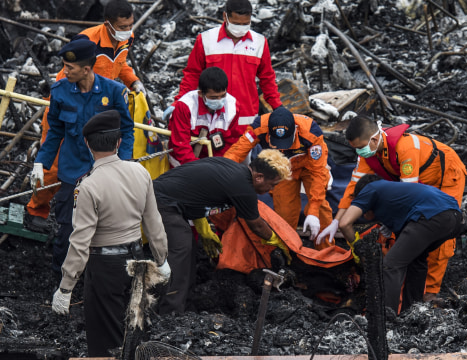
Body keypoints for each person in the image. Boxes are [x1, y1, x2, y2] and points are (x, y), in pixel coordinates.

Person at [50, 110, 170, 357]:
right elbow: (153, 221)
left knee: (106, 342)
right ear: (118, 142)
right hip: (137, 261)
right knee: (134, 331)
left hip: (105, 267)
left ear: (87, 144)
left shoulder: (88, 186)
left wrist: (65, 287)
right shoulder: (140, 172)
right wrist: (162, 259)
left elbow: (80, 242)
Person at [318, 115, 467, 302]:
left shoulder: (406, 147)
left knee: (433, 229)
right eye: (355, 149)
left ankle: (430, 292)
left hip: (445, 176)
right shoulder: (368, 154)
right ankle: (404, 284)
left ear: (373, 139)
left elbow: (409, 191)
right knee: (410, 236)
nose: (359, 152)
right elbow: (352, 190)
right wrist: (336, 221)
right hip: (417, 184)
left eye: (360, 147)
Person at [25, 0, 145, 228]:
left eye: (130, 24)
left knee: (90, 163)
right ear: (108, 24)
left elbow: (121, 65)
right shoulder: (87, 42)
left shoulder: (125, 38)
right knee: (54, 164)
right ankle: (36, 210)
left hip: (97, 110)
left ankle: (79, 211)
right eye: (123, 26)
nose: (128, 30)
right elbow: (66, 75)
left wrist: (134, 82)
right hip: (67, 108)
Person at [30, 37, 134, 275]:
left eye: (70, 68)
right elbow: (55, 130)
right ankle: (62, 280)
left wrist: (125, 163)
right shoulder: (60, 92)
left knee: (104, 229)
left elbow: (127, 129)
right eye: (65, 66)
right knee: (67, 230)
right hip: (72, 172)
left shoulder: (114, 92)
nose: (65, 71)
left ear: (87, 69)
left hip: (105, 173)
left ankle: (95, 280)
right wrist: (41, 163)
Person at [153, 149, 291, 314]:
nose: (271, 190)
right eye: (272, 184)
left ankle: (185, 306)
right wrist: (279, 242)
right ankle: (169, 313)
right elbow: (257, 225)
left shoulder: (236, 171)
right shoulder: (243, 186)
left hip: (168, 201)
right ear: (259, 177)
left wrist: (202, 227)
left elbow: (193, 190)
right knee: (181, 250)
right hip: (160, 201)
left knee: (189, 248)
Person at [338, 174, 463, 313]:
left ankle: (386, 319)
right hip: (455, 218)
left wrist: (358, 248)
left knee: (390, 266)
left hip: (432, 216)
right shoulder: (396, 198)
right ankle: (412, 314)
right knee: (416, 262)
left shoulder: (370, 188)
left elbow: (344, 224)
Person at [224, 106, 334, 248]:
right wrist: (223, 173)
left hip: (309, 167)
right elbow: (236, 152)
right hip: (282, 168)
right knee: (284, 215)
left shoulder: (311, 131)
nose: (283, 147)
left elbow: (318, 172)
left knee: (320, 211)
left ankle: (326, 252)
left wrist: (312, 211)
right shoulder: (258, 127)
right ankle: (288, 253)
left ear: (295, 129)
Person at [164, 0, 281, 126]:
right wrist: (179, 103)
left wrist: (278, 107)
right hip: (211, 119)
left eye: (245, 24)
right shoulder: (206, 40)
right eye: (236, 23)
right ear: (225, 16)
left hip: (245, 120)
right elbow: (192, 76)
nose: (241, 28)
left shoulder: (259, 43)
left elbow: (267, 79)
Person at [167, 66, 242, 166]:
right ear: (201, 94)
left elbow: (231, 141)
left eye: (223, 96)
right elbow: (181, 144)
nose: (219, 101)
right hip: (182, 164)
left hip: (215, 162)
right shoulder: (185, 107)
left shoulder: (233, 107)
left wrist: (219, 166)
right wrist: (198, 169)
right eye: (213, 97)